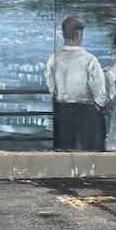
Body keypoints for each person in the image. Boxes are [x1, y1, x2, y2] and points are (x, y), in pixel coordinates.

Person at [45, 15, 108, 150]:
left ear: (63, 34)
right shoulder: (90, 60)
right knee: (91, 152)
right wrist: (96, 107)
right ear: (79, 34)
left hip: (63, 112)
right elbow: (100, 90)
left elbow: (51, 88)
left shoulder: (53, 59)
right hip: (87, 112)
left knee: (65, 151)